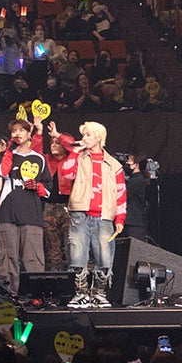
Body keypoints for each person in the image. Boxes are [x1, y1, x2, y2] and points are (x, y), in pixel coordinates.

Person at [63, 120, 126, 307]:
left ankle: (99, 294)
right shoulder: (79, 157)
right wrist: (75, 152)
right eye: (83, 134)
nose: (84, 138)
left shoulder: (114, 164)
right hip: (80, 215)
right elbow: (66, 173)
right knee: (77, 255)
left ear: (99, 137)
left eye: (88, 134)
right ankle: (80, 294)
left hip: (104, 216)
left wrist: (120, 218)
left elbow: (121, 193)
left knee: (104, 258)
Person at [0, 117, 48, 295]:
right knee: (7, 257)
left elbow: (48, 188)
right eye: (14, 131)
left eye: (21, 130)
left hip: (31, 213)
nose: (17, 133)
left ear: (29, 133)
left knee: (33, 257)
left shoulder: (39, 158)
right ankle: (8, 294)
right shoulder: (5, 155)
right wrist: (9, 151)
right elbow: (2, 172)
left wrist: (37, 186)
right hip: (8, 211)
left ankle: (36, 295)